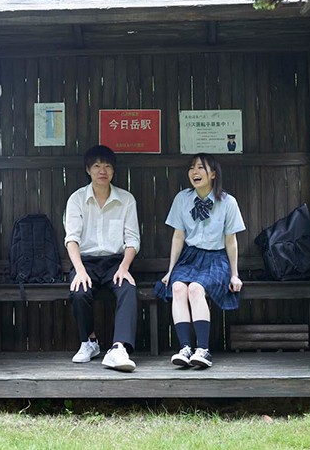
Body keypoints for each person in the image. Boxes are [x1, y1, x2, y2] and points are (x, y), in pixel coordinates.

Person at [156, 153, 245, 368]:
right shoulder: (182, 199)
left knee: (196, 289)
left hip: (216, 259)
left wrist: (234, 275)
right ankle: (185, 348)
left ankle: (203, 350)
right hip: (190, 257)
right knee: (178, 287)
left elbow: (231, 241)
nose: (194, 172)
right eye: (191, 167)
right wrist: (170, 271)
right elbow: (178, 237)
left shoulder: (228, 202)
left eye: (200, 167)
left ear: (213, 174)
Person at [65, 145, 140, 372]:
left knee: (128, 289)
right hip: (85, 262)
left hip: (116, 262)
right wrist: (79, 270)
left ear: (113, 170)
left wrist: (124, 267)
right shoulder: (77, 199)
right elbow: (71, 239)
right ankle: (89, 342)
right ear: (88, 169)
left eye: (107, 166)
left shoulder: (126, 199)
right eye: (97, 166)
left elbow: (133, 239)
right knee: (79, 291)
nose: (102, 171)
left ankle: (119, 348)